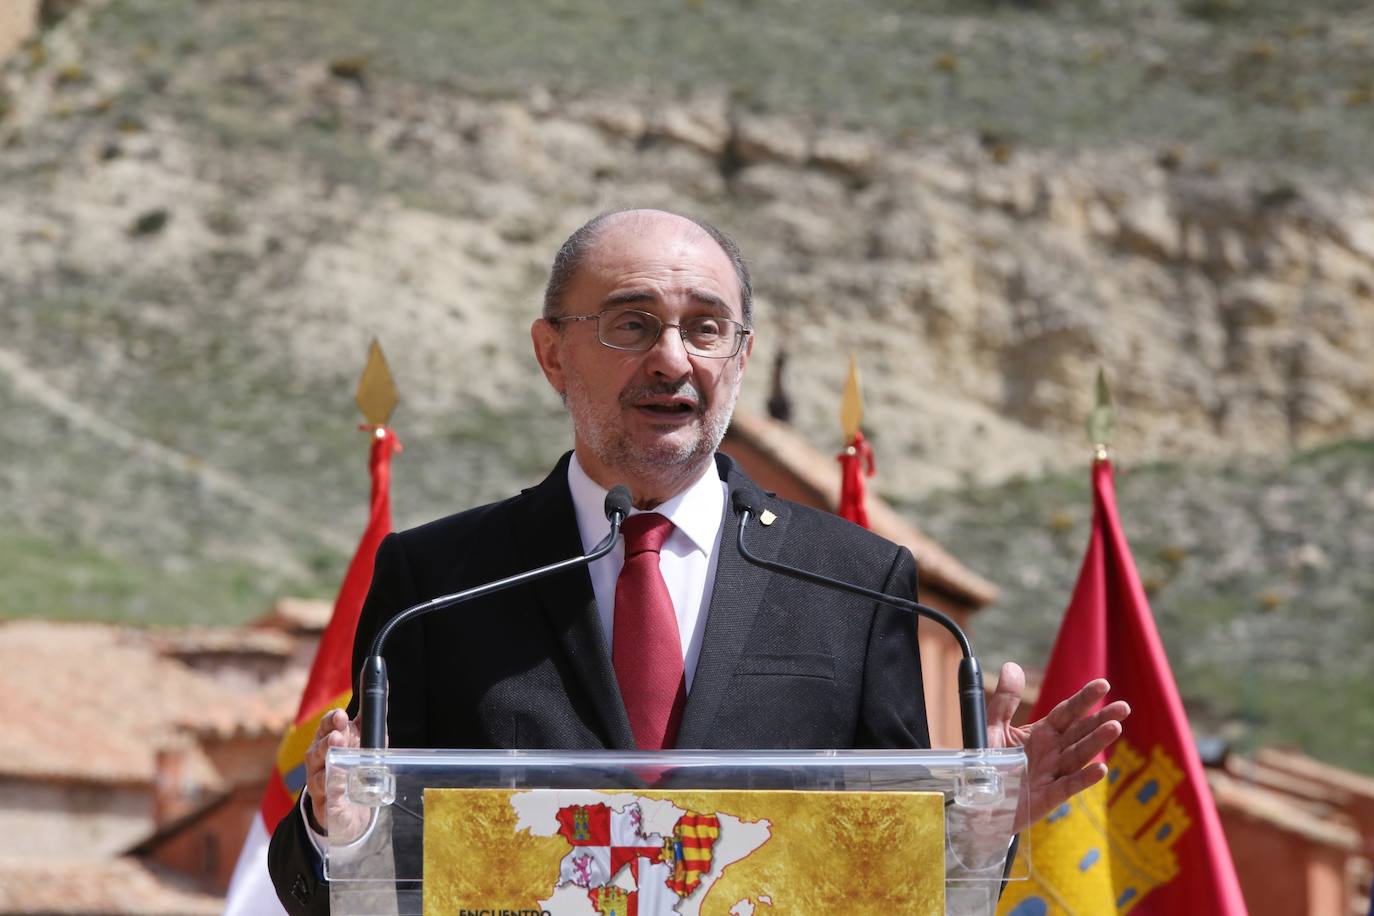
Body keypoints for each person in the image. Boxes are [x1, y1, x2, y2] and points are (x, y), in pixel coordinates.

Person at [268, 208, 1129, 914]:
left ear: (741, 359)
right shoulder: (439, 583)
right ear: (552, 354)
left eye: (705, 328)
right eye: (632, 323)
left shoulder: (857, 584)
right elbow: (349, 892)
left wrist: (975, 834)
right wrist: (341, 831)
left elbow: (888, 880)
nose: (673, 358)